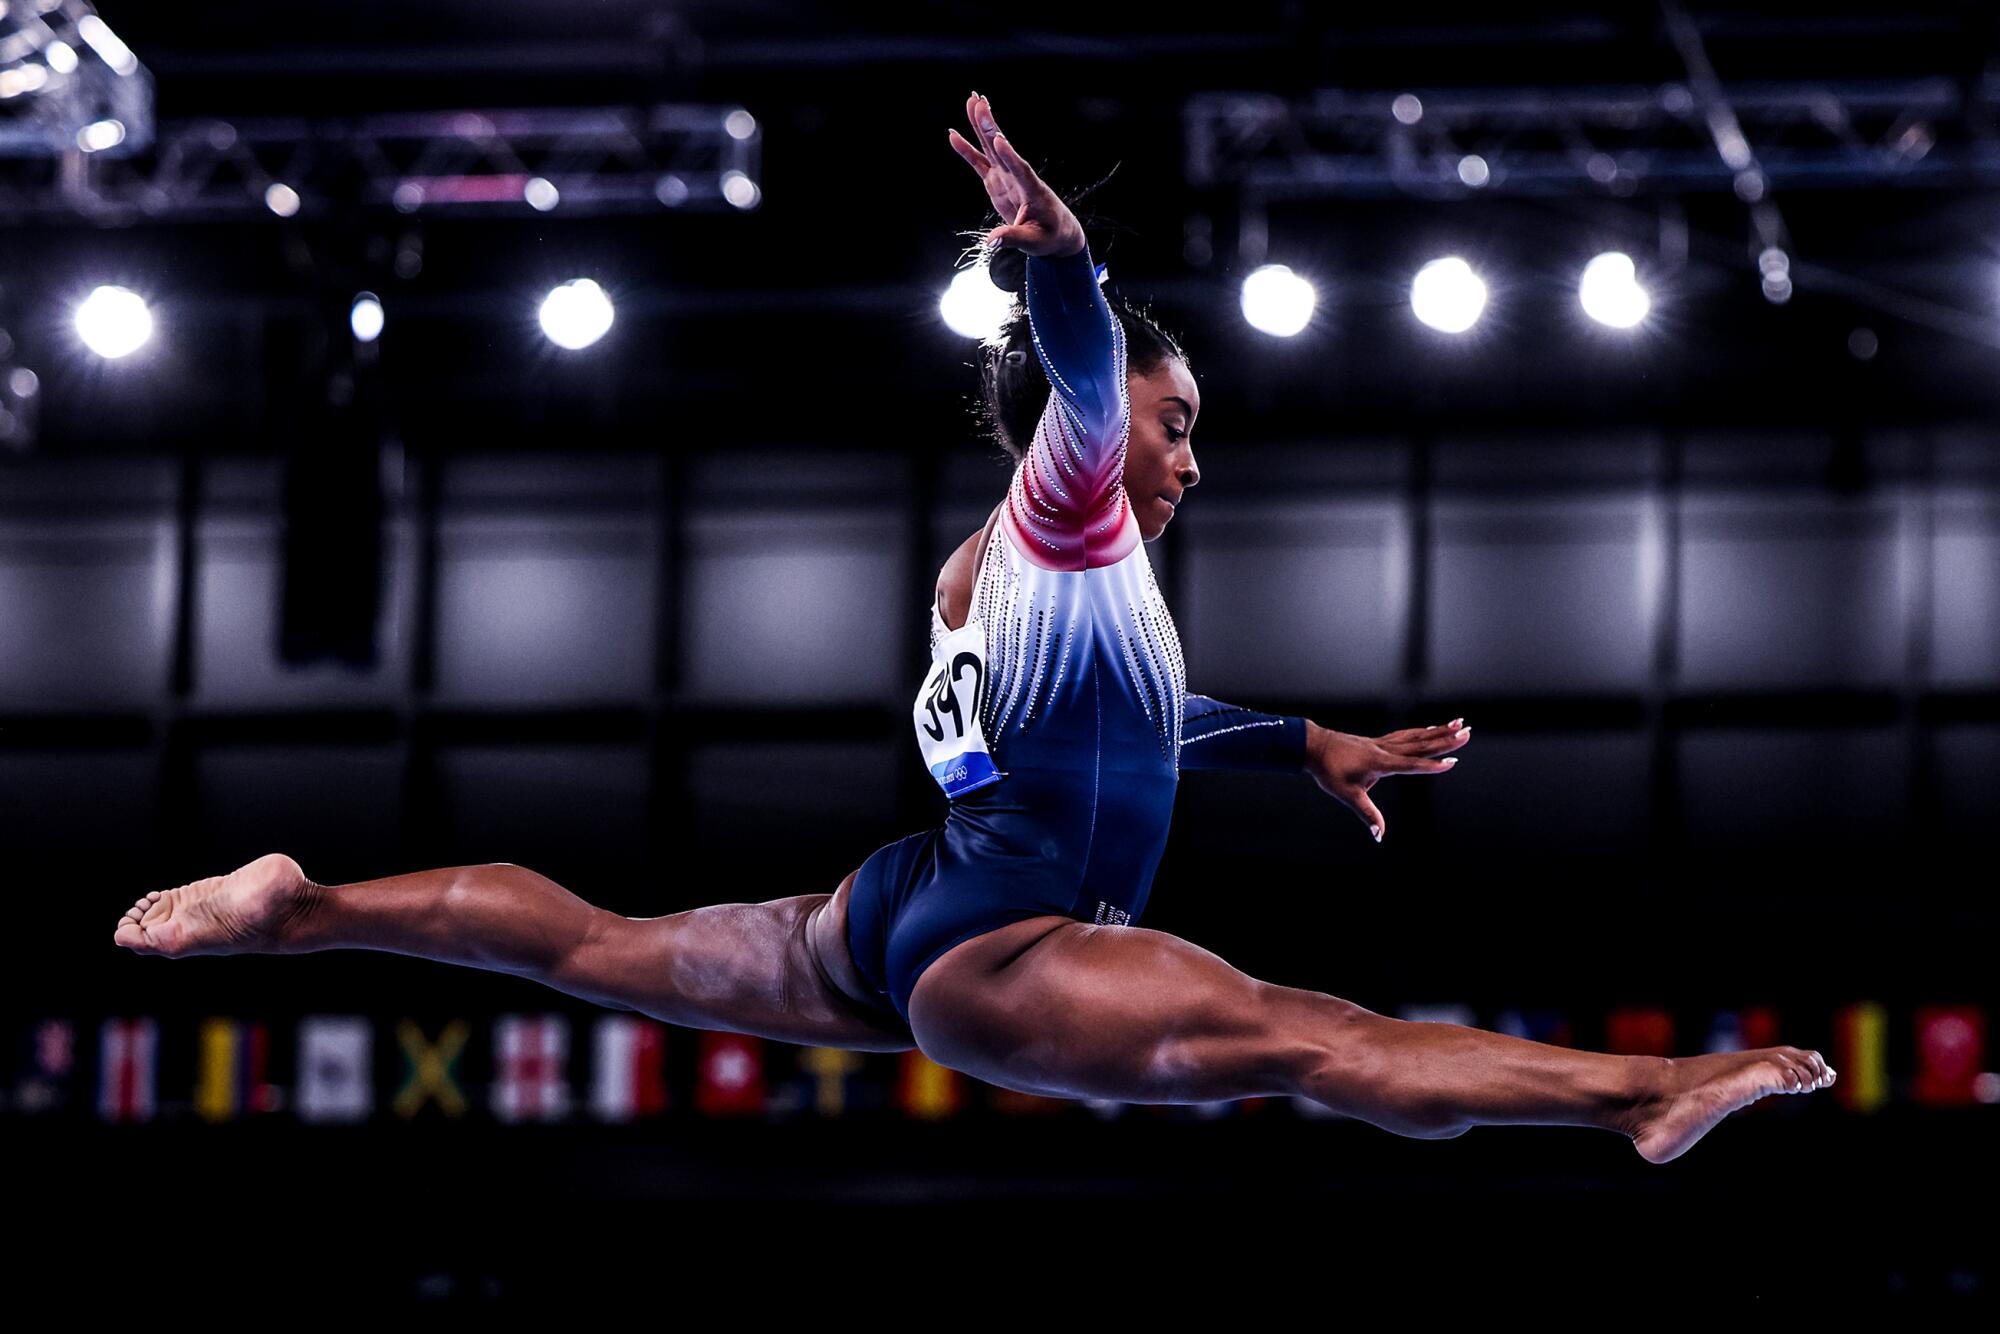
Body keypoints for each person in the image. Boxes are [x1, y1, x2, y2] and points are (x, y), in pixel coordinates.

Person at [113, 92, 1833, 1164]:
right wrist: (1066, 260)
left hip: (911, 903)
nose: (1189, 456)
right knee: (1319, 1041)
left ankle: (304, 905)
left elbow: (1119, 725)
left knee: (587, 944)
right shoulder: (1066, 493)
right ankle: (1643, 1092)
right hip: (1002, 943)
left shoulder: (1029, 580)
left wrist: (1297, 737)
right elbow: (1085, 371)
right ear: (1097, 426)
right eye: (1180, 422)